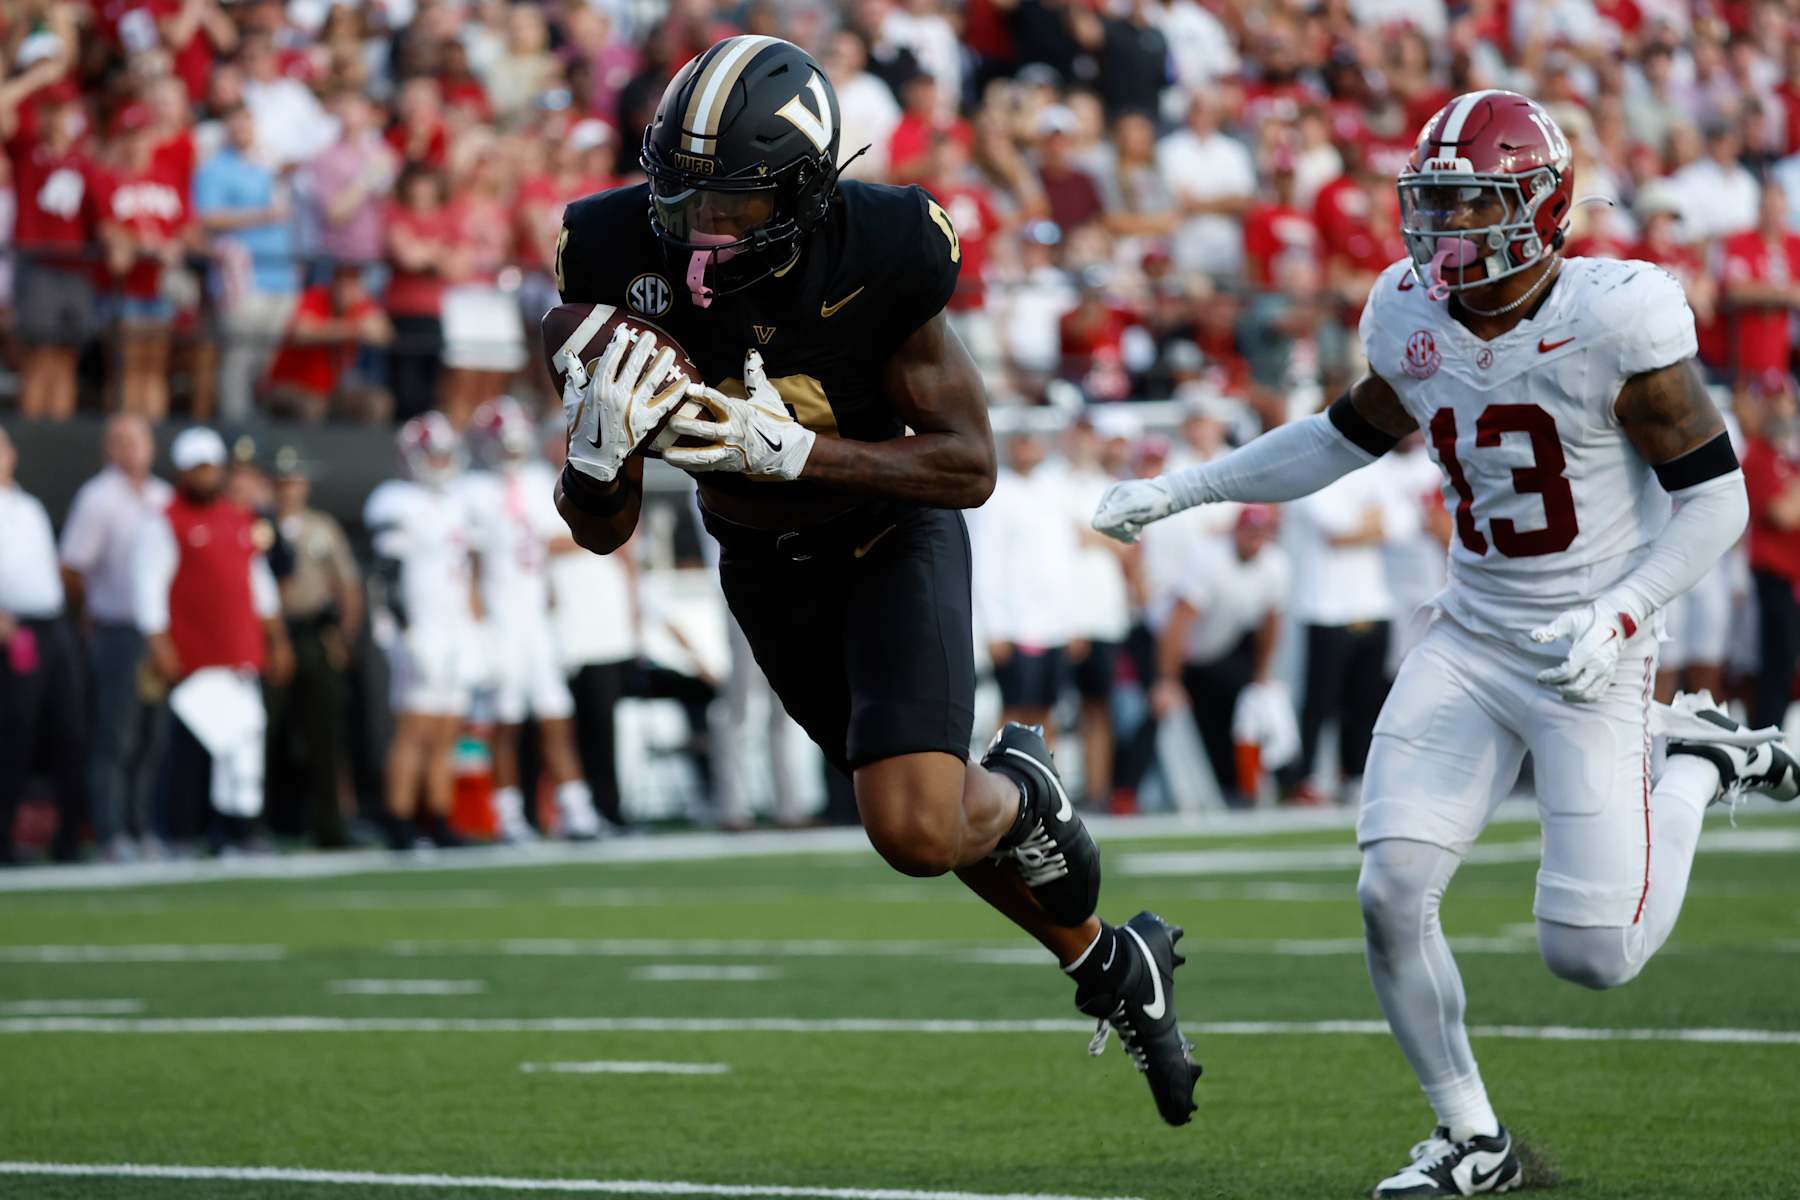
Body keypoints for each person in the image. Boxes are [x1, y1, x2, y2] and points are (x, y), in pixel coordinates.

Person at [1095, 91, 1797, 1195]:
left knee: (1593, 957)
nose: (1445, 230)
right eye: (1434, 204)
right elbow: (1343, 436)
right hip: (1470, 635)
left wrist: (1619, 614)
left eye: (1473, 203)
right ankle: (1473, 1137)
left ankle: (1701, 761)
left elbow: (1717, 505)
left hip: (1591, 652)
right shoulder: (1407, 312)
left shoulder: (1619, 316)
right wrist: (1186, 487)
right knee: (1389, 887)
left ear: (1543, 206)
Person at [553, 36, 1200, 1125]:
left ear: (803, 190)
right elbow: (602, 532)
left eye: (734, 203)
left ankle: (1024, 793)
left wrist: (796, 452)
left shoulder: (880, 243)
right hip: (761, 560)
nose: (701, 227)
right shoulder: (613, 251)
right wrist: (593, 455)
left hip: (888, 532)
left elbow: (968, 465)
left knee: (910, 829)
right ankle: (1105, 961)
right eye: (685, 196)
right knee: (926, 819)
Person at [133, 427, 293, 852]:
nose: (207, 476)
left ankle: (238, 829)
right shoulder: (166, 521)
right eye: (198, 468)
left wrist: (277, 640)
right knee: (195, 746)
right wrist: (160, 645)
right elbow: (148, 589)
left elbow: (260, 587)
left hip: (239, 651)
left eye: (211, 467)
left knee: (243, 745)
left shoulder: (240, 518)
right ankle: (182, 831)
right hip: (194, 653)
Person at [460, 397, 602, 842]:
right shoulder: (474, 492)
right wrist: (479, 625)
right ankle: (506, 815)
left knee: (556, 717)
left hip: (535, 620)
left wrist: (556, 611)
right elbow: (472, 565)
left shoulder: (541, 480)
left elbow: (554, 543)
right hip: (501, 618)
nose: (510, 451)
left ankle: (576, 810)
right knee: (505, 723)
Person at [60, 414, 173, 861]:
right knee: (115, 735)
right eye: (120, 441)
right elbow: (71, 568)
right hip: (116, 629)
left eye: (137, 440)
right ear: (107, 448)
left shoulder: (164, 496)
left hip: (158, 633)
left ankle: (142, 825)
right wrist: (89, 610)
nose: (130, 450)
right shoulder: (96, 499)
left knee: (151, 736)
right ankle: (110, 832)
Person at [364, 413, 480, 850]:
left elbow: (465, 572)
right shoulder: (395, 501)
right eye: (432, 453)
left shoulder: (455, 502)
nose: (440, 461)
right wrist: (403, 631)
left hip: (453, 624)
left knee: (448, 726)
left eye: (445, 453)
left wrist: (475, 623)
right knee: (415, 728)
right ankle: (399, 819)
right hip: (419, 625)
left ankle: (439, 816)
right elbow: (385, 576)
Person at [1150, 504, 1289, 808]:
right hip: (1170, 646)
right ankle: (1126, 792)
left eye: (1261, 533)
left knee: (1245, 712)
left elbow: (1271, 623)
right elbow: (1177, 624)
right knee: (1154, 714)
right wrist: (1167, 679)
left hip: (1219, 647)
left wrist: (1263, 671)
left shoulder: (1276, 565)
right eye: (1249, 532)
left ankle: (1252, 785)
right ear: (1236, 532)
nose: (1255, 540)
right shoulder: (1209, 560)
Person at [267, 446, 361, 847]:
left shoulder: (322, 528)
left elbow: (347, 586)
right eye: (284, 482)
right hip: (273, 632)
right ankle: (269, 821)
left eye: (296, 481)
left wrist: (344, 635)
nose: (290, 490)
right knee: (268, 731)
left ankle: (330, 823)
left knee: (325, 733)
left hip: (314, 630)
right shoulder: (260, 525)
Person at [0, 426, 85, 863]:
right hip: (14, 628)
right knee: (14, 735)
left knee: (69, 729)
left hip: (53, 624)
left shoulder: (29, 506)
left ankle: (69, 839)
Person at [193, 101, 297, 422]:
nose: (241, 130)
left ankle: (256, 417)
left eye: (246, 123)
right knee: (238, 354)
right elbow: (207, 218)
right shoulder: (214, 169)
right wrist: (262, 216)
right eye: (234, 124)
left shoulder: (268, 165)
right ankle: (235, 422)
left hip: (281, 275)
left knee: (265, 358)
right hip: (242, 278)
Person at [974, 431, 1078, 735]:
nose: (1028, 448)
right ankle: (1002, 779)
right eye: (1022, 441)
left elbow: (1066, 560)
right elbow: (986, 563)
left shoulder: (1054, 489)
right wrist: (995, 628)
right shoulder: (997, 493)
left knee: (1048, 709)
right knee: (1014, 710)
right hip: (1016, 624)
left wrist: (1071, 622)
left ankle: (1043, 780)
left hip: (1054, 626)